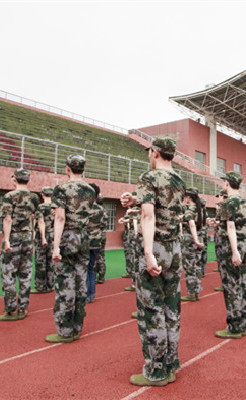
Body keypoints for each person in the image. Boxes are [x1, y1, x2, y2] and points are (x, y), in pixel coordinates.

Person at [120, 137, 186, 386]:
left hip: (156, 245)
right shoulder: (180, 181)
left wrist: (148, 253)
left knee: (151, 310)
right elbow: (162, 205)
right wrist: (134, 199)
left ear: (156, 153)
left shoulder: (149, 177)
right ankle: (170, 363)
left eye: (150, 152)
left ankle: (156, 371)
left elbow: (149, 216)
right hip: (175, 248)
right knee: (172, 308)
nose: (149, 155)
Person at [47, 155, 96, 343]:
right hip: (83, 238)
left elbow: (60, 218)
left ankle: (65, 330)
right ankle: (77, 326)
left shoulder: (61, 188)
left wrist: (56, 246)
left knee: (64, 284)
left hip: (67, 237)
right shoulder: (90, 190)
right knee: (80, 283)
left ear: (68, 168)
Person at [0, 168, 39, 321]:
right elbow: (34, 218)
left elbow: (7, 218)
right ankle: (23, 307)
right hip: (27, 236)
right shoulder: (34, 197)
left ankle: (10, 309)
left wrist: (7, 239)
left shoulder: (9, 196)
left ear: (14, 179)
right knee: (25, 273)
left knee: (8, 273)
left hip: (13, 235)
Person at [215, 171, 246, 338]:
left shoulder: (228, 202)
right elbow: (244, 223)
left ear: (227, 183)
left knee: (231, 286)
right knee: (241, 284)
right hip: (243, 243)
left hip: (232, 246)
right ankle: (241, 322)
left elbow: (230, 227)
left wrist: (234, 251)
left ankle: (235, 326)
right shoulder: (243, 202)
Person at [180, 187, 204, 302]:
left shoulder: (190, 210)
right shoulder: (199, 209)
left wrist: (195, 240)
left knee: (189, 267)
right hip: (199, 237)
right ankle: (196, 291)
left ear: (189, 197)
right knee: (197, 266)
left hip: (190, 240)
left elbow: (192, 224)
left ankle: (191, 294)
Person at [33, 187, 55, 294]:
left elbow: (41, 222)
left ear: (42, 195)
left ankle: (41, 286)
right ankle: (50, 284)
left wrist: (43, 238)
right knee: (51, 261)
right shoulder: (55, 208)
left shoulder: (40, 207)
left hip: (43, 235)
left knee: (40, 261)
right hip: (53, 235)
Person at [86, 184, 105, 303]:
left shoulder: (84, 208)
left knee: (84, 269)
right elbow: (103, 225)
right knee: (91, 268)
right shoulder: (101, 209)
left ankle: (86, 294)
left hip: (85, 241)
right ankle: (91, 294)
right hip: (97, 240)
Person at [94, 195, 108, 284]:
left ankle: (94, 275)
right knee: (102, 255)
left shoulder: (95, 210)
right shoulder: (105, 211)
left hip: (96, 234)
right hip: (103, 234)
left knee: (94, 255)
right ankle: (102, 276)